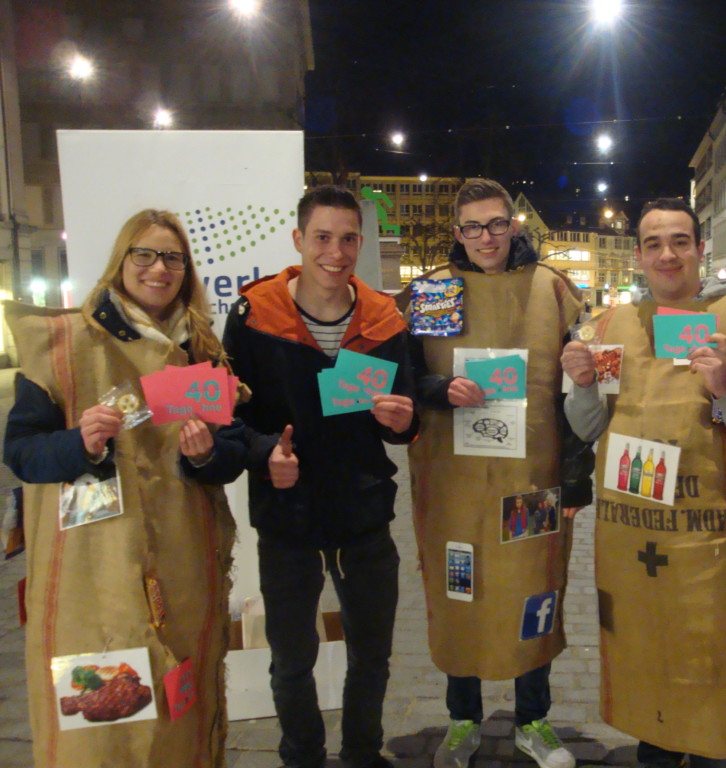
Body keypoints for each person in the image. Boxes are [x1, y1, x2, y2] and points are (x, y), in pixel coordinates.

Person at [3, 210, 244, 767]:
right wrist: (79, 444)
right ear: (122, 261)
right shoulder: (67, 343)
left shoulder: (199, 350)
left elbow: (229, 450)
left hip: (184, 566)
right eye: (145, 254)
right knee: (104, 713)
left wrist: (207, 454)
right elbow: (20, 451)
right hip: (97, 570)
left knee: (180, 703)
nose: (159, 269)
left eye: (172, 258)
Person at [561, 198, 726, 768]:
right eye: (654, 243)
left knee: (716, 675)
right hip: (632, 544)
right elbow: (589, 427)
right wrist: (583, 386)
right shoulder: (612, 327)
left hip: (710, 548)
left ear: (700, 249)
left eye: (680, 241)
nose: (667, 254)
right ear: (638, 255)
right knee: (647, 663)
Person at [399, 178, 593, 768]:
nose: (486, 237)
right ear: (458, 233)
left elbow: (576, 388)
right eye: (473, 227)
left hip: (529, 483)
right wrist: (439, 388)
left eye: (497, 224)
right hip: (453, 483)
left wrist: (576, 476)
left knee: (533, 589)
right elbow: (403, 375)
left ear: (514, 225)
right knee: (460, 593)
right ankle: (462, 719)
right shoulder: (430, 293)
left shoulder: (551, 290)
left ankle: (533, 719)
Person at [222, 186, 417, 768]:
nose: (336, 252)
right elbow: (230, 414)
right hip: (287, 514)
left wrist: (403, 422)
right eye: (323, 238)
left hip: (364, 512)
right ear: (298, 240)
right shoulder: (254, 315)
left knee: (372, 656)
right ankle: (302, 755)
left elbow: (404, 415)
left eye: (348, 238)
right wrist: (264, 454)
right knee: (290, 660)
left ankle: (361, 753)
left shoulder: (384, 318)